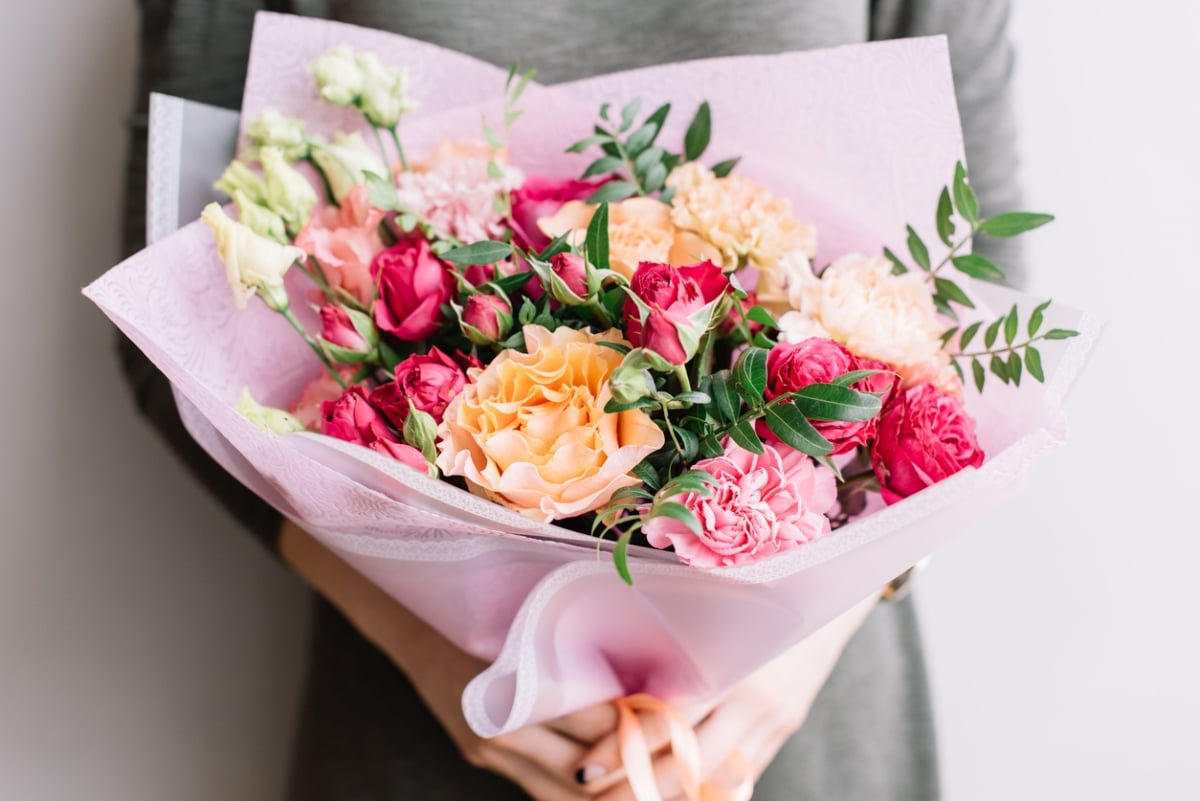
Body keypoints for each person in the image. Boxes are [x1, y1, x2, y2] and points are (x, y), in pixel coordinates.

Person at [118, 1, 1021, 798]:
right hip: (426, 721)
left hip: (800, 722)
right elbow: (172, 324)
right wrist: (431, 651)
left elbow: (978, 328)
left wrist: (810, 640)